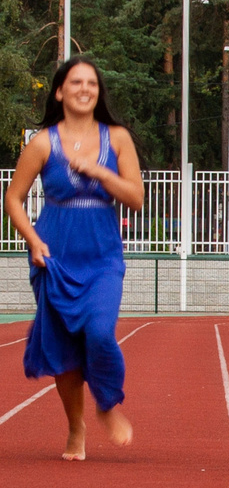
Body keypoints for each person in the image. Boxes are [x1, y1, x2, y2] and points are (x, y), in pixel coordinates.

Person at [4, 57, 144, 459]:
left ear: (98, 92)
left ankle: (106, 403)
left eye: (92, 83)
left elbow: (135, 197)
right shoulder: (43, 142)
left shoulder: (116, 138)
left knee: (100, 332)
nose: (85, 89)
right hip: (55, 255)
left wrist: (100, 173)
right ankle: (75, 429)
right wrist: (32, 240)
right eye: (76, 82)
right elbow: (12, 198)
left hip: (102, 257)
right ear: (60, 91)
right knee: (65, 347)